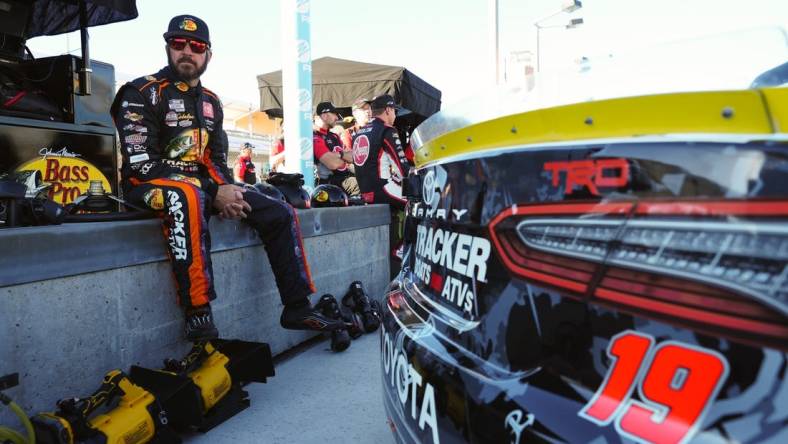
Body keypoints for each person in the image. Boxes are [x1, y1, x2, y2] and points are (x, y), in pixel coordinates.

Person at [111, 14, 344, 342]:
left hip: (203, 188)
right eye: (179, 44)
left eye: (197, 46)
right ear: (168, 47)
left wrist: (225, 188)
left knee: (278, 207)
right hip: (147, 185)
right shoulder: (140, 92)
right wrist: (211, 191)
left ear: (208, 53)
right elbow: (141, 164)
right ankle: (197, 312)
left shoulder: (210, 102)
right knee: (187, 196)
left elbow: (216, 160)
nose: (187, 51)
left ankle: (297, 305)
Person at [351, 94, 412, 277]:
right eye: (394, 111)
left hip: (365, 191)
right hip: (383, 189)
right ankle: (401, 249)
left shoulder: (359, 132)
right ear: (388, 110)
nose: (395, 116)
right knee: (420, 204)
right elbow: (403, 168)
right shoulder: (387, 130)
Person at [313, 101, 359, 196]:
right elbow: (333, 164)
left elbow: (354, 157)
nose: (337, 118)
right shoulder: (314, 136)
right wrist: (343, 156)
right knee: (360, 184)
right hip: (327, 183)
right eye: (334, 114)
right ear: (324, 116)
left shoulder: (334, 136)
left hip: (343, 178)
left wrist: (339, 155)